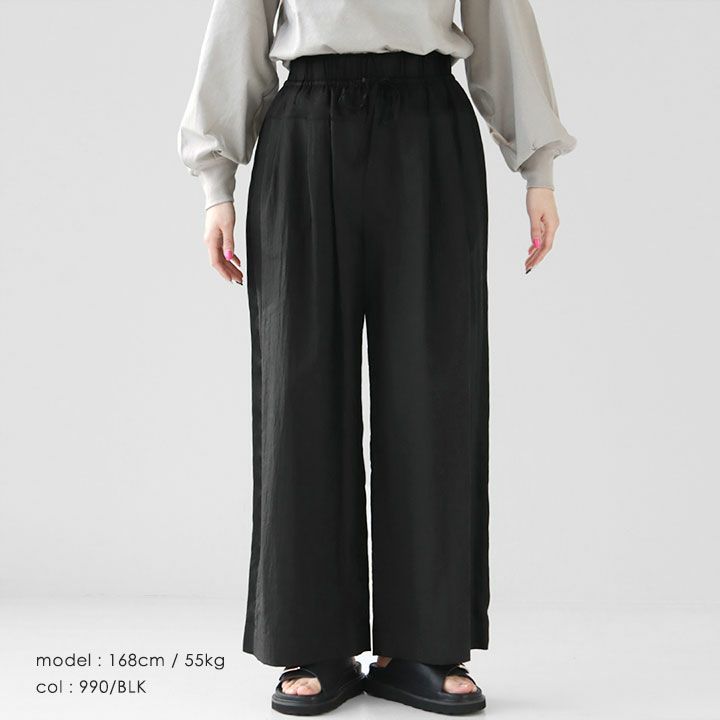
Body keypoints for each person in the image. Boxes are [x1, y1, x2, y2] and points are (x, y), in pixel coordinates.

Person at [177, 0, 576, 715]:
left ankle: (422, 646)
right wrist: (217, 186)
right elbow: (239, 26)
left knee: (434, 387)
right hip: (305, 126)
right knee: (299, 392)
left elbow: (499, 22)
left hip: (428, 125)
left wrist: (537, 170)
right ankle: (313, 642)